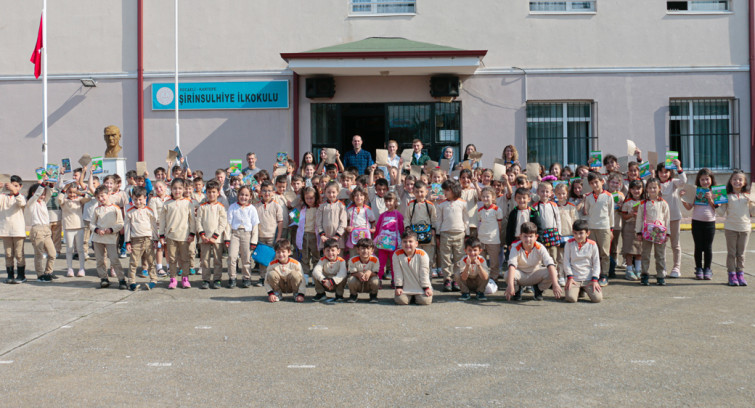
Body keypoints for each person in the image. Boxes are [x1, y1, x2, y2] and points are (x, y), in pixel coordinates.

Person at [505, 222, 563, 301]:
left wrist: (555, 284)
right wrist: (510, 285)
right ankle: (516, 290)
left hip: (535, 274)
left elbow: (550, 264)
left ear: (536, 237)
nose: (528, 239)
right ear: (520, 236)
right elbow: (512, 266)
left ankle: (538, 290)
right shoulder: (515, 247)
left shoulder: (540, 247)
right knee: (507, 274)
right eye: (525, 236)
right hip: (521, 274)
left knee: (553, 272)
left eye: (531, 236)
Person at [717, 170, 754, 286]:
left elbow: (753, 212)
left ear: (744, 182)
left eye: (740, 179)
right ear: (730, 181)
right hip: (730, 228)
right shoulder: (725, 195)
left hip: (745, 228)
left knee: (741, 254)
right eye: (734, 179)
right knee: (732, 253)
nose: (737, 181)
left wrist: (752, 202)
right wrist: (715, 203)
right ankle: (732, 274)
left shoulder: (748, 196)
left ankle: (740, 274)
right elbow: (721, 213)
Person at [159, 178, 196, 289]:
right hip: (171, 236)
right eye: (175, 188)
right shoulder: (167, 203)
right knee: (172, 259)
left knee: (185, 258)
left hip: (184, 236)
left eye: (180, 188)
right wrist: (161, 235)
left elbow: (192, 220)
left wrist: (192, 233)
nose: (177, 191)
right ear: (171, 189)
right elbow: (162, 220)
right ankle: (173, 279)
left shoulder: (188, 203)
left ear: (184, 189)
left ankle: (185, 278)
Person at [682, 168, 717, 280]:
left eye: (707, 179)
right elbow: (689, 207)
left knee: (708, 247)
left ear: (711, 179)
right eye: (702, 179)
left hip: (710, 223)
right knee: (698, 246)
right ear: (698, 180)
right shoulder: (695, 191)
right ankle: (698, 268)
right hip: (697, 222)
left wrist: (710, 199)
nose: (705, 182)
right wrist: (682, 198)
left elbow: (717, 208)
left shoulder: (716, 191)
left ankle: (707, 269)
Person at [635, 178, 670, 286]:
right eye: (650, 188)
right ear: (646, 189)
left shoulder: (663, 203)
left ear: (659, 188)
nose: (652, 190)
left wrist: (667, 233)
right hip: (647, 233)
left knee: (660, 255)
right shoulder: (643, 203)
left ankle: (660, 275)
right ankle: (644, 275)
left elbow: (667, 218)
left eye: (655, 187)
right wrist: (638, 232)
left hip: (660, 233)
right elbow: (639, 218)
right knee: (645, 254)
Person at [436, 179, 468, 292]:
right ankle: (447, 279)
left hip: (459, 233)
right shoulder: (441, 204)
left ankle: (457, 279)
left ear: (454, 190)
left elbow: (466, 220)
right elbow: (439, 220)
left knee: (459, 258)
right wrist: (438, 234)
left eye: (447, 190)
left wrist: (467, 234)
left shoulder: (463, 203)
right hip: (445, 233)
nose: (445, 193)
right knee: (446, 258)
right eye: (444, 190)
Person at [124, 186, 158, 291]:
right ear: (132, 199)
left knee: (151, 261)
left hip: (148, 239)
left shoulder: (149, 211)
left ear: (145, 198)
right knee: (133, 262)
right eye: (135, 199)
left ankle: (153, 280)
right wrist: (127, 242)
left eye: (140, 199)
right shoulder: (129, 212)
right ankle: (131, 282)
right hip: (135, 240)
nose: (138, 202)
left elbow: (153, 226)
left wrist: (155, 239)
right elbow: (127, 228)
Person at [656, 159, 686, 278]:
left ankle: (676, 267)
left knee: (675, 244)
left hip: (674, 217)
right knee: (661, 244)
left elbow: (683, 181)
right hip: (660, 219)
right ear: (657, 173)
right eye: (661, 172)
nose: (664, 174)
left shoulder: (673, 182)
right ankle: (662, 267)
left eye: (666, 172)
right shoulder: (655, 183)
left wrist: (678, 167)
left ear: (670, 173)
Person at [583, 172, 614, 286]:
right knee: (592, 252)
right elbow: (586, 212)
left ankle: (604, 275)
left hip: (604, 227)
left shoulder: (608, 196)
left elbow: (611, 214)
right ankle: (594, 274)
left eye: (596, 182)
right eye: (592, 183)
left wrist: (611, 229)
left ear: (602, 182)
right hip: (592, 227)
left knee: (604, 252)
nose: (594, 185)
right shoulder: (588, 197)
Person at [91, 185, 125, 288]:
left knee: (114, 259)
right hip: (98, 239)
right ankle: (103, 278)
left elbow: (120, 223)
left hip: (111, 238)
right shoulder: (97, 209)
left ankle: (121, 279)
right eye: (98, 197)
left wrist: (111, 230)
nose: (101, 199)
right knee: (100, 260)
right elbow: (91, 224)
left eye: (102, 196)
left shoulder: (115, 208)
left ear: (108, 194)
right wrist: (97, 230)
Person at [196, 181, 228, 290]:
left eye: (214, 192)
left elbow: (223, 223)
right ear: (206, 193)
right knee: (204, 260)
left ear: (218, 193)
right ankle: (205, 279)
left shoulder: (221, 207)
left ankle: (217, 279)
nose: (211, 194)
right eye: (209, 192)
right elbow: (198, 222)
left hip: (217, 239)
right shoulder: (202, 207)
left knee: (217, 260)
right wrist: (202, 235)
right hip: (204, 239)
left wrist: (215, 236)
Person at [563, 220, 603, 303]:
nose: (578, 236)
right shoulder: (569, 243)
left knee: (597, 299)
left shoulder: (592, 244)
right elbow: (566, 262)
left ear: (587, 233)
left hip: (588, 279)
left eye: (581, 233)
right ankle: (579, 290)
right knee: (571, 298)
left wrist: (595, 279)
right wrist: (570, 277)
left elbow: (596, 263)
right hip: (574, 279)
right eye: (575, 233)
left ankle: (584, 289)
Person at [403, 181, 437, 278]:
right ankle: (417, 280)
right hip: (415, 236)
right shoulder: (411, 205)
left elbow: (434, 219)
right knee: (415, 258)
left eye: (422, 192)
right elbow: (407, 219)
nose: (419, 194)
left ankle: (427, 279)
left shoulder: (430, 205)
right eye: (417, 192)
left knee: (428, 258)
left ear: (426, 192)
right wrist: (407, 228)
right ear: (413, 192)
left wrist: (433, 229)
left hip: (428, 235)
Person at [254, 181, 284, 287]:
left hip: (272, 236)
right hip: (260, 236)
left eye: (269, 191)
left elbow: (280, 222)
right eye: (264, 191)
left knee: (273, 258)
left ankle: (272, 277)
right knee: (262, 258)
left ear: (273, 192)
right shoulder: (256, 206)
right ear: (260, 192)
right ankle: (263, 277)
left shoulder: (276, 206)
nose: (267, 193)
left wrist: (278, 237)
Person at [26, 181, 57, 282]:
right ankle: (40, 275)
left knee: (52, 253)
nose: (42, 196)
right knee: (39, 254)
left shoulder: (43, 202)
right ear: (33, 193)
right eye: (41, 194)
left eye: (44, 194)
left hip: (46, 229)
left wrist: (51, 185)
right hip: (37, 230)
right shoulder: (31, 203)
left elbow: (49, 194)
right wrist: (42, 185)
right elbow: (36, 195)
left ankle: (48, 272)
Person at [58, 182, 91, 277]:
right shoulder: (64, 201)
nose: (72, 194)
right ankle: (70, 268)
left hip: (79, 227)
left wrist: (79, 193)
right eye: (70, 192)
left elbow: (89, 197)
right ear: (66, 192)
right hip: (68, 228)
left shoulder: (79, 200)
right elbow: (59, 199)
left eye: (74, 192)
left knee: (80, 249)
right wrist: (64, 189)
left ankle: (81, 268)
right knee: (69, 249)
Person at [392, 231, 433, 305]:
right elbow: (398, 273)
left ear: (416, 243)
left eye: (410, 241)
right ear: (401, 243)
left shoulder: (422, 254)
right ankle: (411, 297)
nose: (407, 244)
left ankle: (416, 297)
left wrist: (426, 288)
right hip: (405, 288)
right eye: (405, 241)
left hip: (420, 287)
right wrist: (398, 287)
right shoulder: (396, 254)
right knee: (401, 301)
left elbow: (424, 273)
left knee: (425, 301)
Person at [1, 175, 27, 283]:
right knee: (8, 254)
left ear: (20, 187)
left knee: (19, 254)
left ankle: (21, 275)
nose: (13, 187)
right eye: (11, 185)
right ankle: (10, 275)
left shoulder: (21, 196)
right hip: (5, 231)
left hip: (18, 231)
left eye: (16, 186)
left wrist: (15, 192)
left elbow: (22, 203)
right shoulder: (3, 196)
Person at [374, 192, 403, 283]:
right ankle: (378, 279)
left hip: (394, 243)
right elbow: (378, 228)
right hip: (382, 242)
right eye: (386, 201)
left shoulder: (398, 215)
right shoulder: (382, 215)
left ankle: (394, 280)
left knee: (394, 263)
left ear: (395, 202)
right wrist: (375, 241)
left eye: (390, 201)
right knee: (381, 263)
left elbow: (402, 229)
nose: (388, 203)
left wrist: (402, 241)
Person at [475, 187, 503, 282]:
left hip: (493, 240)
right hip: (482, 239)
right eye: (483, 196)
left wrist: (497, 236)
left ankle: (494, 277)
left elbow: (499, 225)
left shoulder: (497, 210)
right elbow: (480, 223)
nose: (485, 198)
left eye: (487, 196)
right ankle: (483, 277)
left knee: (494, 261)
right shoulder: (479, 210)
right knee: (481, 260)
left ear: (493, 197)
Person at [296, 186, 320, 286]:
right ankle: (305, 275)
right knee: (304, 257)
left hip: (315, 236)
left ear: (315, 197)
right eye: (307, 198)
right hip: (304, 235)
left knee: (316, 256)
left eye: (311, 198)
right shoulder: (302, 209)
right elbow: (294, 217)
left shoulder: (319, 208)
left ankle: (315, 275)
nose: (309, 200)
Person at [621, 180, 644, 281]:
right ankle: (629, 270)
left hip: (641, 227)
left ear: (642, 189)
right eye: (633, 189)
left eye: (638, 188)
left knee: (639, 249)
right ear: (630, 190)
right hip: (629, 227)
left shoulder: (644, 201)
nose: (636, 191)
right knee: (629, 250)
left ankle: (638, 269)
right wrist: (630, 214)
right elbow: (624, 216)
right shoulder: (627, 202)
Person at [316, 181, 347, 253]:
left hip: (338, 238)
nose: (331, 194)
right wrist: (322, 235)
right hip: (325, 237)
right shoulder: (322, 206)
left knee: (338, 255)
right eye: (328, 192)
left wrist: (337, 235)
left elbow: (343, 222)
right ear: (325, 192)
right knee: (327, 254)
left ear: (337, 192)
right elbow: (318, 222)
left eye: (333, 192)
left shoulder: (341, 205)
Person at [347, 238, 380, 303]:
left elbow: (376, 272)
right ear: (358, 250)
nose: (365, 251)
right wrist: (358, 274)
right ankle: (353, 295)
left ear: (372, 251)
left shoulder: (375, 259)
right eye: (363, 248)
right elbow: (352, 273)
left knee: (376, 280)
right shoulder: (352, 260)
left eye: (368, 248)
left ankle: (373, 295)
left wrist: (369, 272)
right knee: (351, 279)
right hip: (358, 282)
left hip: (369, 283)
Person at [345, 186, 375, 256]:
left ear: (365, 197)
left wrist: (373, 228)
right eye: (356, 195)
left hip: (365, 236)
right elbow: (346, 221)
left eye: (361, 195)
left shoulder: (368, 209)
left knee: (365, 254)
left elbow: (373, 222)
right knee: (353, 255)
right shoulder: (349, 209)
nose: (359, 197)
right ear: (353, 197)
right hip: (353, 235)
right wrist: (347, 227)